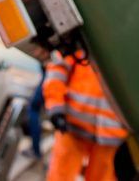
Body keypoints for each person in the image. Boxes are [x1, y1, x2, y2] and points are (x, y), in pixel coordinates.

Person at [44, 51, 127, 181]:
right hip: (73, 126)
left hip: (112, 135)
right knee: (59, 176)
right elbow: (58, 68)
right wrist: (55, 105)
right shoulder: (83, 36)